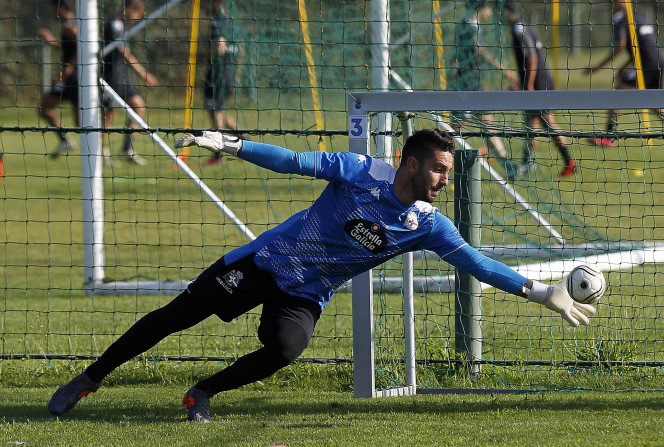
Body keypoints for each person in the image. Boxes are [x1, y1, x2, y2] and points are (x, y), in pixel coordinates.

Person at [48, 129, 596, 422]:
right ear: (408, 162)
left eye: (447, 173)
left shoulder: (427, 225)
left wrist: (538, 290)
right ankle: (89, 379)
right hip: (262, 265)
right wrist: (235, 145)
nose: (442, 180)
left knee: (287, 348)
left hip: (305, 294)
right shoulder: (360, 174)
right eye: (437, 168)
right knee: (172, 319)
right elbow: (292, 161)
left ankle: (201, 394)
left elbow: (476, 263)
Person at [582, 0, 664, 147]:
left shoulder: (622, 17)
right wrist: (625, 66)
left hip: (645, 64)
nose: (609, 4)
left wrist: (597, 68)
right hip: (658, 60)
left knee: (617, 94)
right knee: (654, 100)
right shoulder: (638, 15)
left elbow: (620, 45)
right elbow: (639, 47)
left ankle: (608, 136)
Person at [501, 1, 576, 179]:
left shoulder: (519, 28)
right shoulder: (524, 24)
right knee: (530, 123)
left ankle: (569, 162)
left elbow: (532, 57)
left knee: (547, 122)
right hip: (538, 81)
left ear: (504, 11)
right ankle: (528, 164)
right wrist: (523, 81)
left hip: (538, 83)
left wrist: (529, 84)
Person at [450, 0, 519, 181]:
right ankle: (440, 167)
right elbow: (478, 51)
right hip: (468, 85)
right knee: (454, 130)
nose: (490, 12)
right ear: (482, 7)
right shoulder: (471, 26)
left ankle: (508, 166)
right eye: (489, 8)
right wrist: (504, 70)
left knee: (487, 125)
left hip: (470, 84)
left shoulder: (466, 26)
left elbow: (457, 56)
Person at [102, 0, 158, 165]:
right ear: (128, 9)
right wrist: (143, 73)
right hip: (111, 77)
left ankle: (127, 149)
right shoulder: (115, 25)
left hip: (123, 76)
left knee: (138, 107)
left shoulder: (122, 27)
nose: (137, 17)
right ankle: (102, 153)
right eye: (137, 13)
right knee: (109, 115)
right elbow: (124, 53)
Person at [38, 0, 79, 157]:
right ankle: (65, 139)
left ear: (61, 8)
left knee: (82, 123)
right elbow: (70, 47)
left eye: (54, 9)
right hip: (73, 78)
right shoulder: (70, 25)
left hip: (74, 79)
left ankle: (102, 149)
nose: (52, 13)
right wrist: (52, 41)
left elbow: (83, 46)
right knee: (45, 108)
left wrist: (68, 69)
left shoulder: (70, 26)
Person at [202, 0, 241, 166]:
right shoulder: (234, 24)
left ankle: (218, 156)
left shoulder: (217, 23)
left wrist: (205, 55)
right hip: (230, 73)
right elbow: (241, 50)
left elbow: (220, 47)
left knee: (217, 112)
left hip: (217, 74)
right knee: (218, 110)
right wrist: (237, 75)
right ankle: (244, 138)